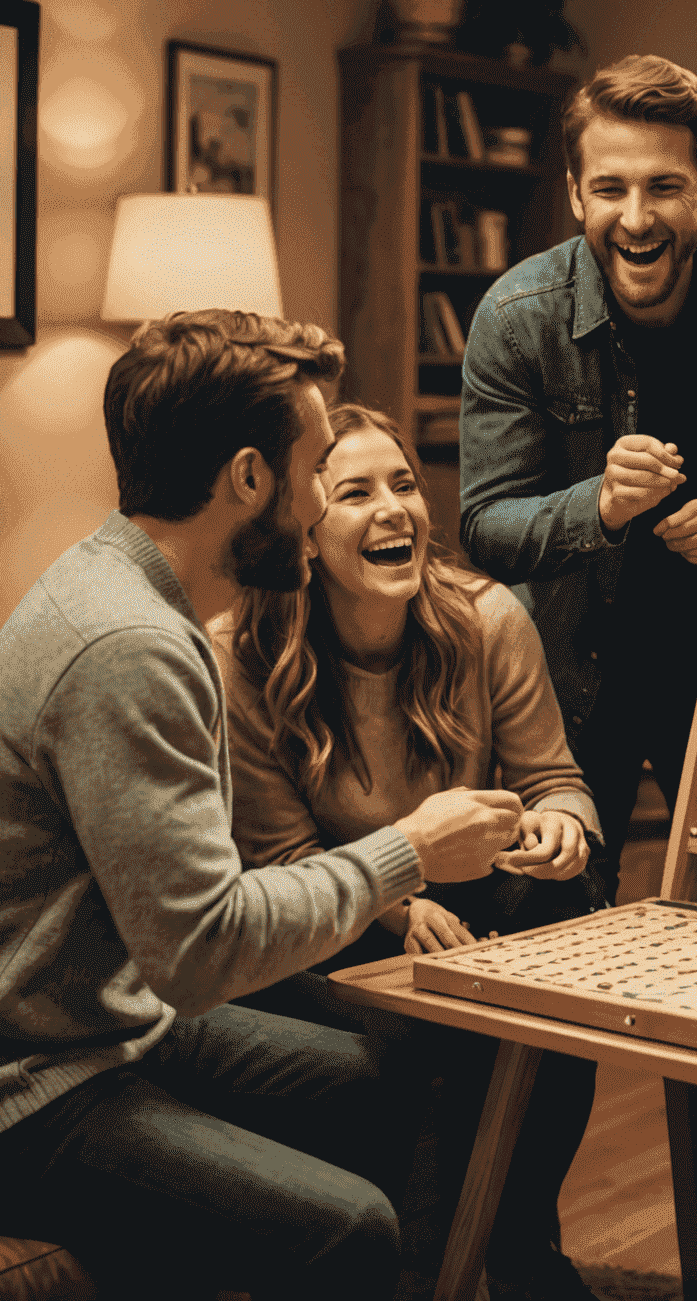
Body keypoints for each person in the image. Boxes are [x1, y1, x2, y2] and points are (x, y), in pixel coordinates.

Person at [0, 311, 524, 1300]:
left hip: (89, 1022)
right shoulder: (129, 645)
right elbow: (201, 955)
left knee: (396, 1072)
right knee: (351, 1230)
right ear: (251, 479)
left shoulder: (134, 594)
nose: (329, 497)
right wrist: (405, 853)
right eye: (321, 466)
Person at [214, 401, 606, 1301]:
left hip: (475, 899)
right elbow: (278, 859)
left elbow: (554, 777)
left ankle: (514, 1246)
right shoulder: (244, 651)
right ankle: (429, 1261)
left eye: (403, 484)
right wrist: (400, 904)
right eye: (354, 493)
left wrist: (564, 829)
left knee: (567, 917)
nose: (394, 508)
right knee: (444, 1016)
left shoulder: (487, 616)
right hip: (328, 921)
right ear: (307, 531)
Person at [459, 53, 697, 902]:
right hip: (575, 677)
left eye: (664, 187)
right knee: (558, 911)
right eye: (611, 189)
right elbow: (486, 528)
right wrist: (601, 506)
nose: (636, 218)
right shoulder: (518, 318)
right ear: (576, 193)